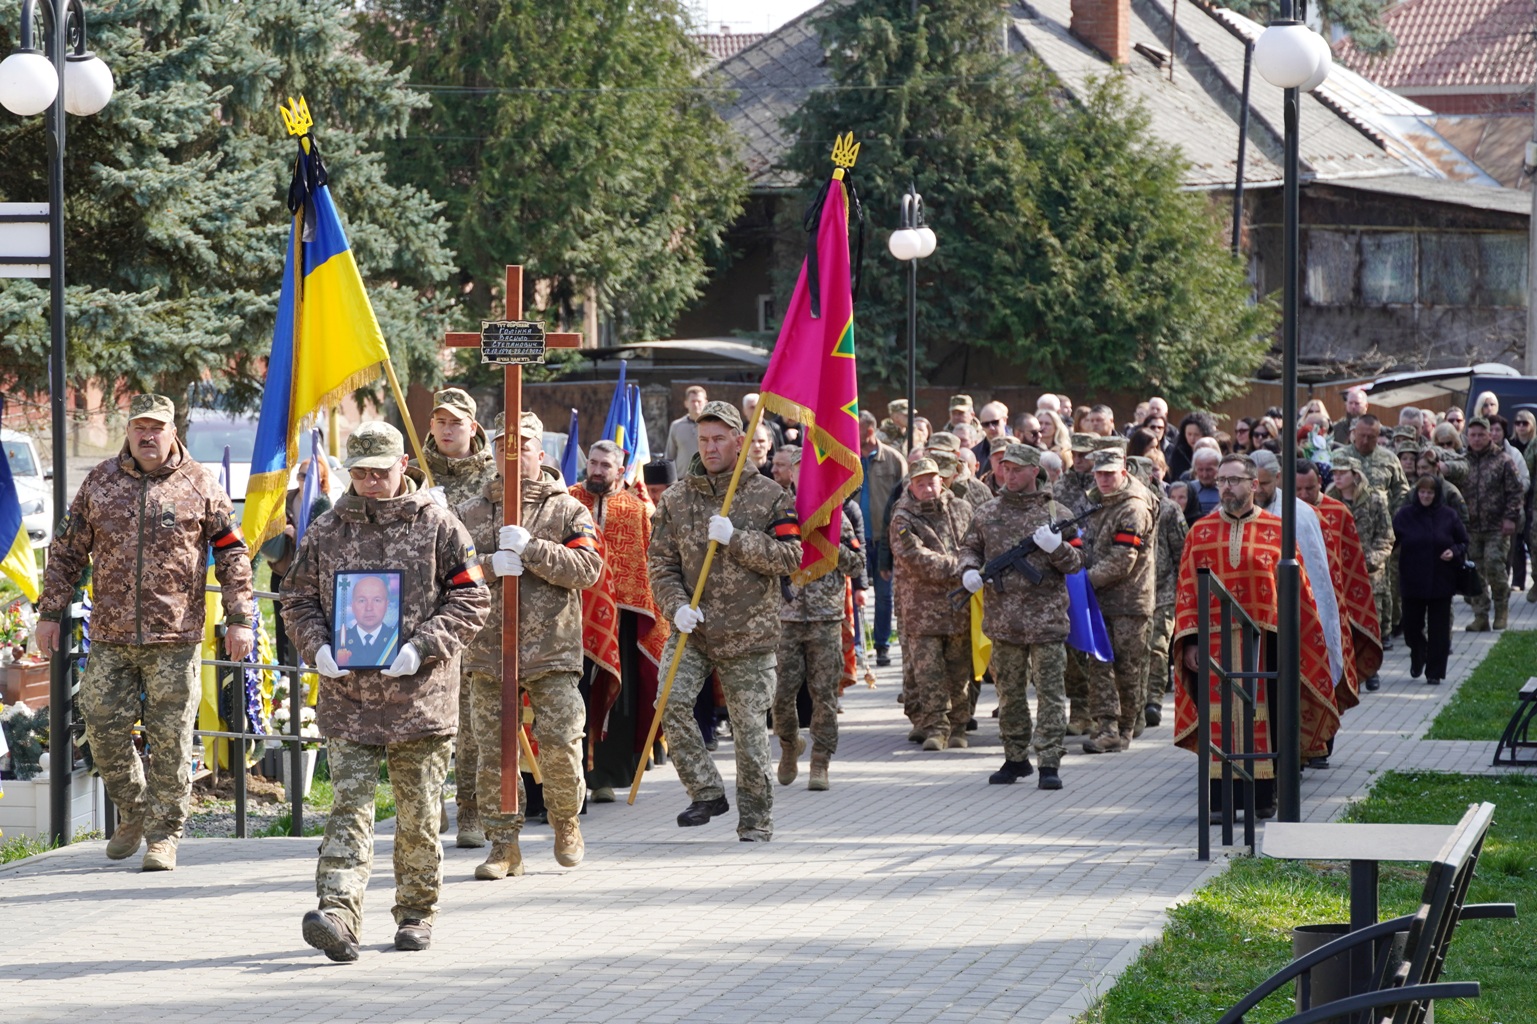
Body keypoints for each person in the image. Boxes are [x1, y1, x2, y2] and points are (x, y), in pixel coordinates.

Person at [282, 420, 490, 959]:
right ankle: (338, 913)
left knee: (418, 815)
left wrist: (423, 646)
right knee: (348, 809)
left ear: (403, 465)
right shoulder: (327, 530)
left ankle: (416, 912)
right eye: (360, 473)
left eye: (380, 472)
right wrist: (316, 646)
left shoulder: (439, 526)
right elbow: (297, 599)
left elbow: (472, 599)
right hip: (349, 699)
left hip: (418, 701)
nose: (370, 482)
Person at [35, 393, 255, 872]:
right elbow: (68, 550)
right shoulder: (101, 481)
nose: (147, 435)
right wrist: (50, 611)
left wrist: (240, 618)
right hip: (110, 635)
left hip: (174, 638)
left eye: (157, 427)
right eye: (140, 427)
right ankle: (135, 809)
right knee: (99, 726)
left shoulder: (199, 483)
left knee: (171, 739)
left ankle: (164, 835)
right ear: (128, 432)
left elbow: (233, 553)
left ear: (173, 432)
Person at [454, 412, 602, 880]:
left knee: (560, 744)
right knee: (494, 753)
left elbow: (588, 569)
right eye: (503, 447)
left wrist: (532, 549)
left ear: (541, 453)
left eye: (522, 446)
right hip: (488, 651)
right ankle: (504, 846)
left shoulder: (568, 509)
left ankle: (566, 821)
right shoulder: (472, 512)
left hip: (551, 650)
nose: (512, 455)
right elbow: (447, 574)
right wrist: (490, 565)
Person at [648, 401, 802, 841]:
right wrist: (676, 606)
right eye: (703, 440)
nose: (710, 447)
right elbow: (660, 565)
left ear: (739, 441)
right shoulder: (677, 498)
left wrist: (738, 539)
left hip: (749, 634)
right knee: (670, 701)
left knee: (749, 732)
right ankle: (706, 791)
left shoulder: (770, 495)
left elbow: (791, 556)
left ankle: (755, 821)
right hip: (693, 631)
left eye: (719, 439)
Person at [1172, 454, 1337, 820]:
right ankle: (1220, 802)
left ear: (1253, 484)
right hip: (1213, 644)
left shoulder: (1277, 531)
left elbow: (1299, 593)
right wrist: (1190, 641)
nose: (1226, 487)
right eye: (1222, 481)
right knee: (1218, 720)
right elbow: (1187, 589)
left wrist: (1298, 644)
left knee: (1269, 717)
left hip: (1267, 643)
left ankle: (1263, 797)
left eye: (1234, 480)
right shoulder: (1200, 532)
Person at [405, 387, 497, 844]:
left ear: (472, 427)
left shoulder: (494, 476)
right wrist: (421, 505)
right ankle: (432, 802)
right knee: (427, 715)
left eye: (455, 422)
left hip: (476, 614)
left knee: (474, 722)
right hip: (424, 613)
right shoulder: (412, 473)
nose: (446, 429)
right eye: (440, 421)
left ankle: (472, 811)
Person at [959, 443, 1081, 788]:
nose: (1008, 475)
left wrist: (1057, 548)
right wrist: (968, 571)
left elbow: (1077, 563)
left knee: (1050, 693)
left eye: (1016, 470)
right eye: (1005, 469)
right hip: (1004, 621)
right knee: (1009, 694)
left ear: (1034, 471)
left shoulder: (1057, 512)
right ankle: (1015, 758)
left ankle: (1049, 761)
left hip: (1047, 620)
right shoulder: (987, 511)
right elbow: (969, 548)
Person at [569, 439, 670, 806]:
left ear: (621, 471)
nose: (596, 470)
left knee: (618, 696)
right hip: (572, 616)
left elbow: (648, 564)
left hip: (624, 618)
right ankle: (574, 775)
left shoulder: (636, 509)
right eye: (593, 463)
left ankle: (606, 777)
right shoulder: (568, 501)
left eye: (605, 465)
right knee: (575, 694)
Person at [772, 447, 864, 791]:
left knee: (824, 695)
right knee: (781, 695)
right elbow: (767, 559)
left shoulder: (836, 514)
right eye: (799, 469)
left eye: (810, 468)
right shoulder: (778, 510)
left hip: (826, 618)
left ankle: (821, 761)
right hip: (787, 617)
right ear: (791, 474)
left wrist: (829, 542)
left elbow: (857, 563)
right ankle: (789, 745)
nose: (804, 474)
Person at [889, 457, 975, 750]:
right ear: (911, 486)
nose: (927, 488)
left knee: (959, 671)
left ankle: (959, 726)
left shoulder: (962, 509)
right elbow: (914, 557)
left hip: (959, 607)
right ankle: (936, 728)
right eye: (920, 483)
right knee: (929, 673)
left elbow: (975, 544)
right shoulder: (903, 517)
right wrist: (959, 567)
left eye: (932, 481)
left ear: (942, 481)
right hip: (922, 610)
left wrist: (972, 565)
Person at [1077, 448, 1156, 753]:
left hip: (1129, 602)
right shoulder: (1098, 501)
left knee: (1126, 668)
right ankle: (1106, 727)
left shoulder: (1133, 506)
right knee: (1099, 664)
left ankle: (1124, 729)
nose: (1104, 479)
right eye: (1099, 473)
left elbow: (1123, 559)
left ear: (1123, 471)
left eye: (1110, 474)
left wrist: (1084, 581)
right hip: (1100, 598)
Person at [1323, 456, 1393, 688]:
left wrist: (1370, 560)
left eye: (1342, 473)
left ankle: (1371, 670)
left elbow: (1386, 536)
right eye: (1334, 473)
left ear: (1355, 475)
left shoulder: (1374, 500)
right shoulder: (1328, 501)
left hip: (1370, 574)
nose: (1337, 477)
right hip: (1337, 573)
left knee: (1372, 621)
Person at [1128, 456, 1186, 730]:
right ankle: (1135, 701)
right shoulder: (1123, 508)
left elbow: (1182, 552)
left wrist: (1182, 591)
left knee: (1158, 647)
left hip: (1163, 590)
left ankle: (1153, 700)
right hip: (1130, 592)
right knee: (1133, 649)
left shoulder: (1169, 509)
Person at [1394, 475, 1469, 685]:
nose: (1426, 496)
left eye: (1430, 492)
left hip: (1441, 579)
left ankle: (1435, 672)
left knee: (1439, 630)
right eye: (1422, 492)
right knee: (1411, 627)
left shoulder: (1449, 515)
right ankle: (1419, 652)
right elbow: (1391, 540)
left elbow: (1463, 541)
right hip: (1413, 580)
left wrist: (1454, 551)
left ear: (1437, 495)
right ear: (1416, 494)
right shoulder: (1405, 515)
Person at [1460, 417, 1522, 631]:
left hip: (1497, 526)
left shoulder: (1503, 460)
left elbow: (1515, 491)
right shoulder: (1463, 461)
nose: (1477, 439)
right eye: (1473, 435)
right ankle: (1481, 616)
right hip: (1471, 527)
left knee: (1495, 566)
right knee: (1475, 572)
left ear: (1489, 435)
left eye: (1481, 435)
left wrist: (1510, 518)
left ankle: (1501, 609)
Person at [859, 411, 904, 666]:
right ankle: (857, 646)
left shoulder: (893, 459)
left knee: (885, 596)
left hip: (883, 540)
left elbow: (904, 498)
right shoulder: (848, 458)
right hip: (857, 540)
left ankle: (882, 645)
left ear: (869, 432)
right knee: (855, 595)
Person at [1338, 414, 1410, 512]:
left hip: (1381, 517)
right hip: (1347, 515)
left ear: (1378, 435)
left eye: (1371, 437)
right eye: (1362, 435)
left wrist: (1397, 514)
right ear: (1354, 433)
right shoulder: (1340, 456)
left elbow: (1401, 490)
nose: (1365, 441)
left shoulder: (1390, 458)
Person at [665, 385, 707, 469]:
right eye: (693, 401)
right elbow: (669, 456)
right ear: (686, 403)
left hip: (706, 476)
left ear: (706, 403)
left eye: (699, 401)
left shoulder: (712, 426)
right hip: (682, 476)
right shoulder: (676, 426)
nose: (696, 404)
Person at [1168, 411, 1215, 481]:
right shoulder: (1179, 453)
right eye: (1189, 434)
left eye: (1196, 434)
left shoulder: (1213, 452)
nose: (1192, 438)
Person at [1185, 449, 1221, 523]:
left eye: (1209, 470)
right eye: (1200, 470)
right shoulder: (1188, 490)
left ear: (1219, 468)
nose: (1204, 475)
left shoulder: (1227, 489)